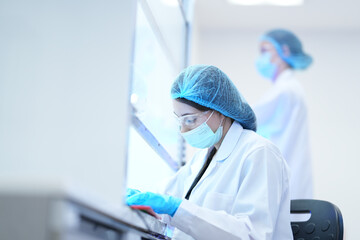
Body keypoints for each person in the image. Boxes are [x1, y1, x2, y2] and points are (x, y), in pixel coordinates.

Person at [127, 65, 293, 240]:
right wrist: (135, 197)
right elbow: (163, 195)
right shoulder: (201, 159)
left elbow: (252, 235)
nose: (183, 130)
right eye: (179, 120)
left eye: (190, 119)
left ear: (220, 111)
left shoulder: (259, 153)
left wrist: (177, 209)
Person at [254, 29, 314, 199]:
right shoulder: (288, 88)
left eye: (265, 51)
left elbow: (249, 121)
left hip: (284, 183)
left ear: (285, 51)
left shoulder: (285, 89)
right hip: (286, 180)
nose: (261, 58)